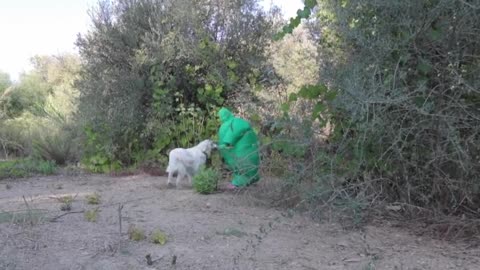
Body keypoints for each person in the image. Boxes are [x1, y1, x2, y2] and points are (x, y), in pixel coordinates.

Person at [217, 107, 260, 190]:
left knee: (242, 162)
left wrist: (226, 142)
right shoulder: (234, 122)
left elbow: (229, 136)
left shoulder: (234, 122)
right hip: (247, 146)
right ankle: (250, 178)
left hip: (245, 148)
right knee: (245, 161)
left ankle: (241, 182)